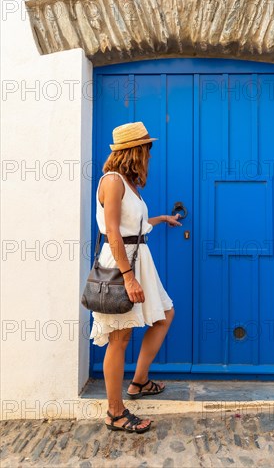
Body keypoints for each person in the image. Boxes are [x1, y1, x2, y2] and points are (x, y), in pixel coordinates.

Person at [89, 121, 182, 433]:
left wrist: (160, 218)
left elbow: (133, 224)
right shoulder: (112, 181)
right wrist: (128, 277)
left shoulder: (129, 184)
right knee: (119, 336)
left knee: (164, 315)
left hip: (138, 259)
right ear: (134, 151)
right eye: (147, 149)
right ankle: (115, 413)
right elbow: (113, 231)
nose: (150, 155)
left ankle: (139, 381)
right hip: (120, 264)